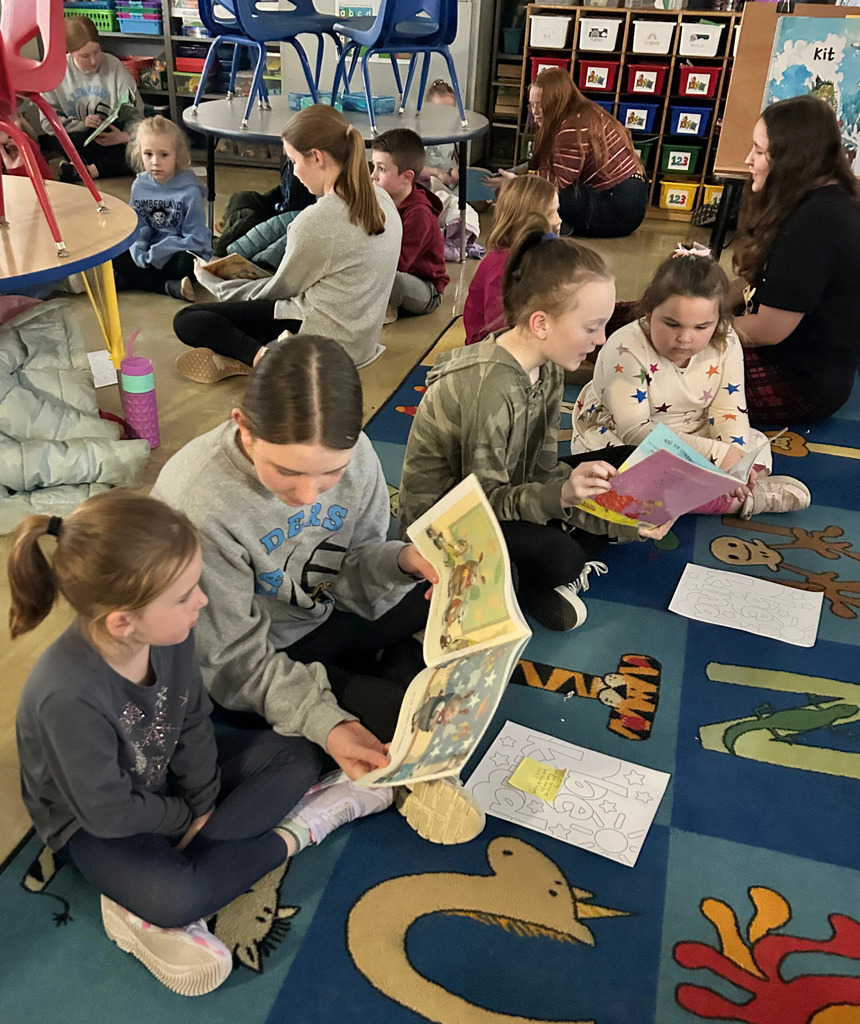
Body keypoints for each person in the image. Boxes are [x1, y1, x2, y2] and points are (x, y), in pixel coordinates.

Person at [8, 491, 394, 996]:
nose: (203, 601)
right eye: (186, 594)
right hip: (97, 821)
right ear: (123, 622)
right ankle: (302, 828)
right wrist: (184, 818)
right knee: (176, 897)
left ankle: (174, 872)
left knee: (296, 756)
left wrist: (203, 799)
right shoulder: (66, 696)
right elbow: (108, 813)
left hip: (160, 776)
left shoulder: (169, 634)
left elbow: (192, 720)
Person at [152, 335, 485, 844]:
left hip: (317, 613)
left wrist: (401, 562)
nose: (307, 494)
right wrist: (324, 721)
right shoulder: (198, 500)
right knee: (405, 718)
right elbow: (229, 660)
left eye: (331, 472)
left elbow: (351, 569)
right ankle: (383, 720)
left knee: (454, 590)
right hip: (246, 658)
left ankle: (379, 687)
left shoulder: (361, 457)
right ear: (243, 427)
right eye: (285, 472)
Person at [398, 223, 665, 634]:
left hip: (506, 491)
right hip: (449, 522)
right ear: (541, 323)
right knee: (562, 557)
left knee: (632, 464)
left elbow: (540, 469)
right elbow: (482, 505)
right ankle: (532, 580)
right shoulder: (491, 390)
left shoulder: (549, 366)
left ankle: (528, 579)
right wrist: (565, 497)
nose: (601, 339)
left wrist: (626, 518)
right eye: (592, 327)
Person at [571, 245, 811, 518]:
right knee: (617, 479)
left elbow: (728, 409)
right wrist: (718, 455)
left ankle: (725, 491)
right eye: (672, 324)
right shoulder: (625, 350)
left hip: (692, 431)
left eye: (701, 327)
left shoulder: (726, 340)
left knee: (752, 447)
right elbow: (634, 431)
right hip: (624, 437)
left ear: (718, 320)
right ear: (649, 313)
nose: (685, 338)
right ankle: (740, 501)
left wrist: (735, 464)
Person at [172, 104, 401, 384]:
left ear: (317, 157)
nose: (293, 173)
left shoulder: (316, 222)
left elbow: (277, 291)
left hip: (320, 341)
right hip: (362, 342)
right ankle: (259, 350)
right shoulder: (383, 199)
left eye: (293, 161)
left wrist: (214, 282)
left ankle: (265, 358)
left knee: (189, 319)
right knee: (248, 315)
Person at [732, 95, 860, 424]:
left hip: (798, 383)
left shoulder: (816, 222)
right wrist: (696, 298)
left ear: (793, 158)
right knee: (641, 317)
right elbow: (755, 282)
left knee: (658, 360)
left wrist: (691, 327)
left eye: (760, 151)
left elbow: (768, 329)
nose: (748, 160)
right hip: (791, 360)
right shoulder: (813, 200)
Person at [486, 68, 647, 238]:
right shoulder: (582, 111)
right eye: (531, 104)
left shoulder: (572, 127)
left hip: (618, 208)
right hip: (629, 196)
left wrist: (517, 186)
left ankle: (561, 225)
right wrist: (517, 172)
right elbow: (547, 164)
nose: (535, 111)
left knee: (543, 196)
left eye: (541, 105)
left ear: (557, 102)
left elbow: (556, 183)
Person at [111, 116, 211, 301]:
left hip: (177, 251)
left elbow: (196, 240)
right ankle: (165, 287)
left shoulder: (190, 191)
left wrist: (161, 251)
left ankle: (131, 281)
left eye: (164, 154)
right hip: (149, 251)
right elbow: (137, 226)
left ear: (177, 155)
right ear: (139, 153)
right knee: (115, 253)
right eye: (148, 154)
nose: (155, 162)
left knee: (186, 265)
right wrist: (139, 248)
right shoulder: (139, 185)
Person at [40, 16, 142, 182]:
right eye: (85, 56)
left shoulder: (114, 65)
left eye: (97, 52)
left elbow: (136, 114)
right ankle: (89, 167)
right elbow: (47, 122)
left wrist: (124, 136)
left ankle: (86, 170)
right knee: (61, 139)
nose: (94, 60)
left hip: (115, 138)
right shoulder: (56, 72)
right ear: (70, 53)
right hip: (78, 138)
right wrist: (81, 124)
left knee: (141, 148)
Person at [463, 174, 559, 345]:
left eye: (558, 211)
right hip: (492, 347)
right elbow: (498, 329)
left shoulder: (535, 253)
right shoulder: (503, 265)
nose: (559, 220)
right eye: (552, 213)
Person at [370, 128, 449, 319]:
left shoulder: (419, 214)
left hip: (425, 289)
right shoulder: (381, 198)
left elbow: (399, 264)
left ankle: (385, 308)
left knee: (390, 280)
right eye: (373, 166)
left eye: (381, 169)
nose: (373, 176)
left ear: (407, 177)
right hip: (389, 271)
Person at [422, 80, 459, 189]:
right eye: (438, 111)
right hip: (426, 184)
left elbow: (457, 158)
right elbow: (412, 166)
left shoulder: (453, 133)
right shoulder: (423, 134)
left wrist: (457, 169)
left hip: (448, 183)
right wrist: (437, 173)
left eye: (449, 111)